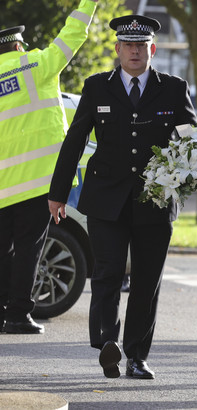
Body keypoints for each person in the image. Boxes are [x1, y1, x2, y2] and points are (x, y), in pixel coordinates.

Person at [47, 15, 197, 379]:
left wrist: (187, 177)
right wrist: (58, 192)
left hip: (155, 200)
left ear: (152, 50)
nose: (134, 51)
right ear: (117, 50)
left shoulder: (174, 88)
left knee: (147, 281)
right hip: (105, 199)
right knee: (107, 273)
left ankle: (137, 356)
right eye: (128, 45)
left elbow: (192, 141)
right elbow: (75, 140)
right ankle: (106, 343)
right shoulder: (97, 87)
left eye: (140, 45)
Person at [0, 0, 99, 335]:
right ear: (18, 45)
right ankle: (16, 316)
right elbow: (74, 33)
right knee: (29, 249)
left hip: (2, 187)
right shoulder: (37, 64)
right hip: (38, 182)